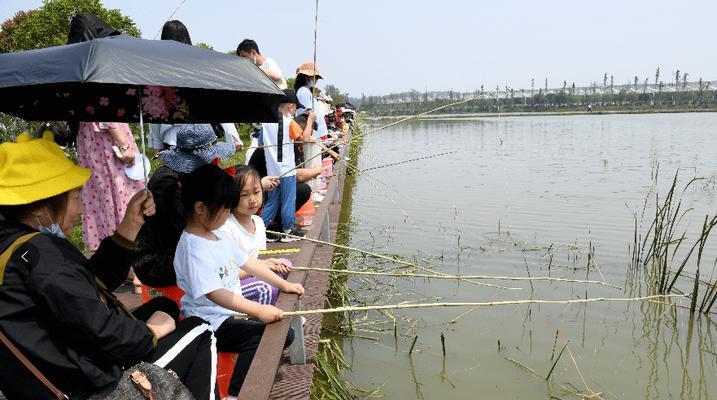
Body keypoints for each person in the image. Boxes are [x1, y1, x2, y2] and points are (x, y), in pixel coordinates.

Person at [0, 133, 217, 399]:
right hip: (97, 388)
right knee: (199, 328)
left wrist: (130, 225)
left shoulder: (15, 246)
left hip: (64, 370)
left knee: (165, 306)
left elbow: (87, 283)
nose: (80, 208)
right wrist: (150, 332)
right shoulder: (41, 254)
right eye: (76, 196)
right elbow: (100, 330)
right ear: (42, 206)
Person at [173, 164, 304, 398]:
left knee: (284, 332)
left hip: (229, 315)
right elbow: (215, 293)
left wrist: (284, 285)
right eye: (224, 209)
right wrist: (258, 309)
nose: (227, 215)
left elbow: (249, 263)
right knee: (265, 336)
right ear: (200, 208)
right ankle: (236, 393)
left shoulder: (219, 232)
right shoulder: (193, 247)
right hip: (209, 324)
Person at [133, 125, 278, 287]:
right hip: (159, 259)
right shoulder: (167, 183)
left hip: (189, 247)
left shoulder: (195, 175)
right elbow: (189, 226)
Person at [67, 15, 145, 251]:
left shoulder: (77, 68)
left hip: (92, 148)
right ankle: (129, 260)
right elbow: (106, 116)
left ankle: (107, 254)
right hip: (109, 148)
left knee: (100, 200)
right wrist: (124, 146)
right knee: (124, 199)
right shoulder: (96, 70)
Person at [149, 20, 242, 151]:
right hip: (203, 134)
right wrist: (232, 135)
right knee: (206, 171)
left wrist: (158, 144)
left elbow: (154, 110)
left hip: (173, 138)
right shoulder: (199, 65)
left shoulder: (159, 70)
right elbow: (217, 102)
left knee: (177, 170)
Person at [218, 166, 292, 305]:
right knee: (265, 288)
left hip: (253, 273)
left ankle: (278, 308)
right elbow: (225, 275)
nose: (252, 200)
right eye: (244, 195)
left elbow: (256, 259)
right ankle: (261, 323)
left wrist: (270, 262)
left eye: (256, 192)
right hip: (231, 286)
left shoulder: (258, 222)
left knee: (285, 264)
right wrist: (261, 267)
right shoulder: (227, 229)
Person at [259, 89, 314, 242]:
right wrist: (310, 121)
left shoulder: (266, 122)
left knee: (272, 201)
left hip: (272, 170)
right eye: (296, 107)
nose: (296, 110)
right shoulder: (290, 122)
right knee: (288, 201)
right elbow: (303, 139)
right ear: (290, 106)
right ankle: (288, 231)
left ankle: (261, 230)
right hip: (287, 170)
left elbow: (261, 145)